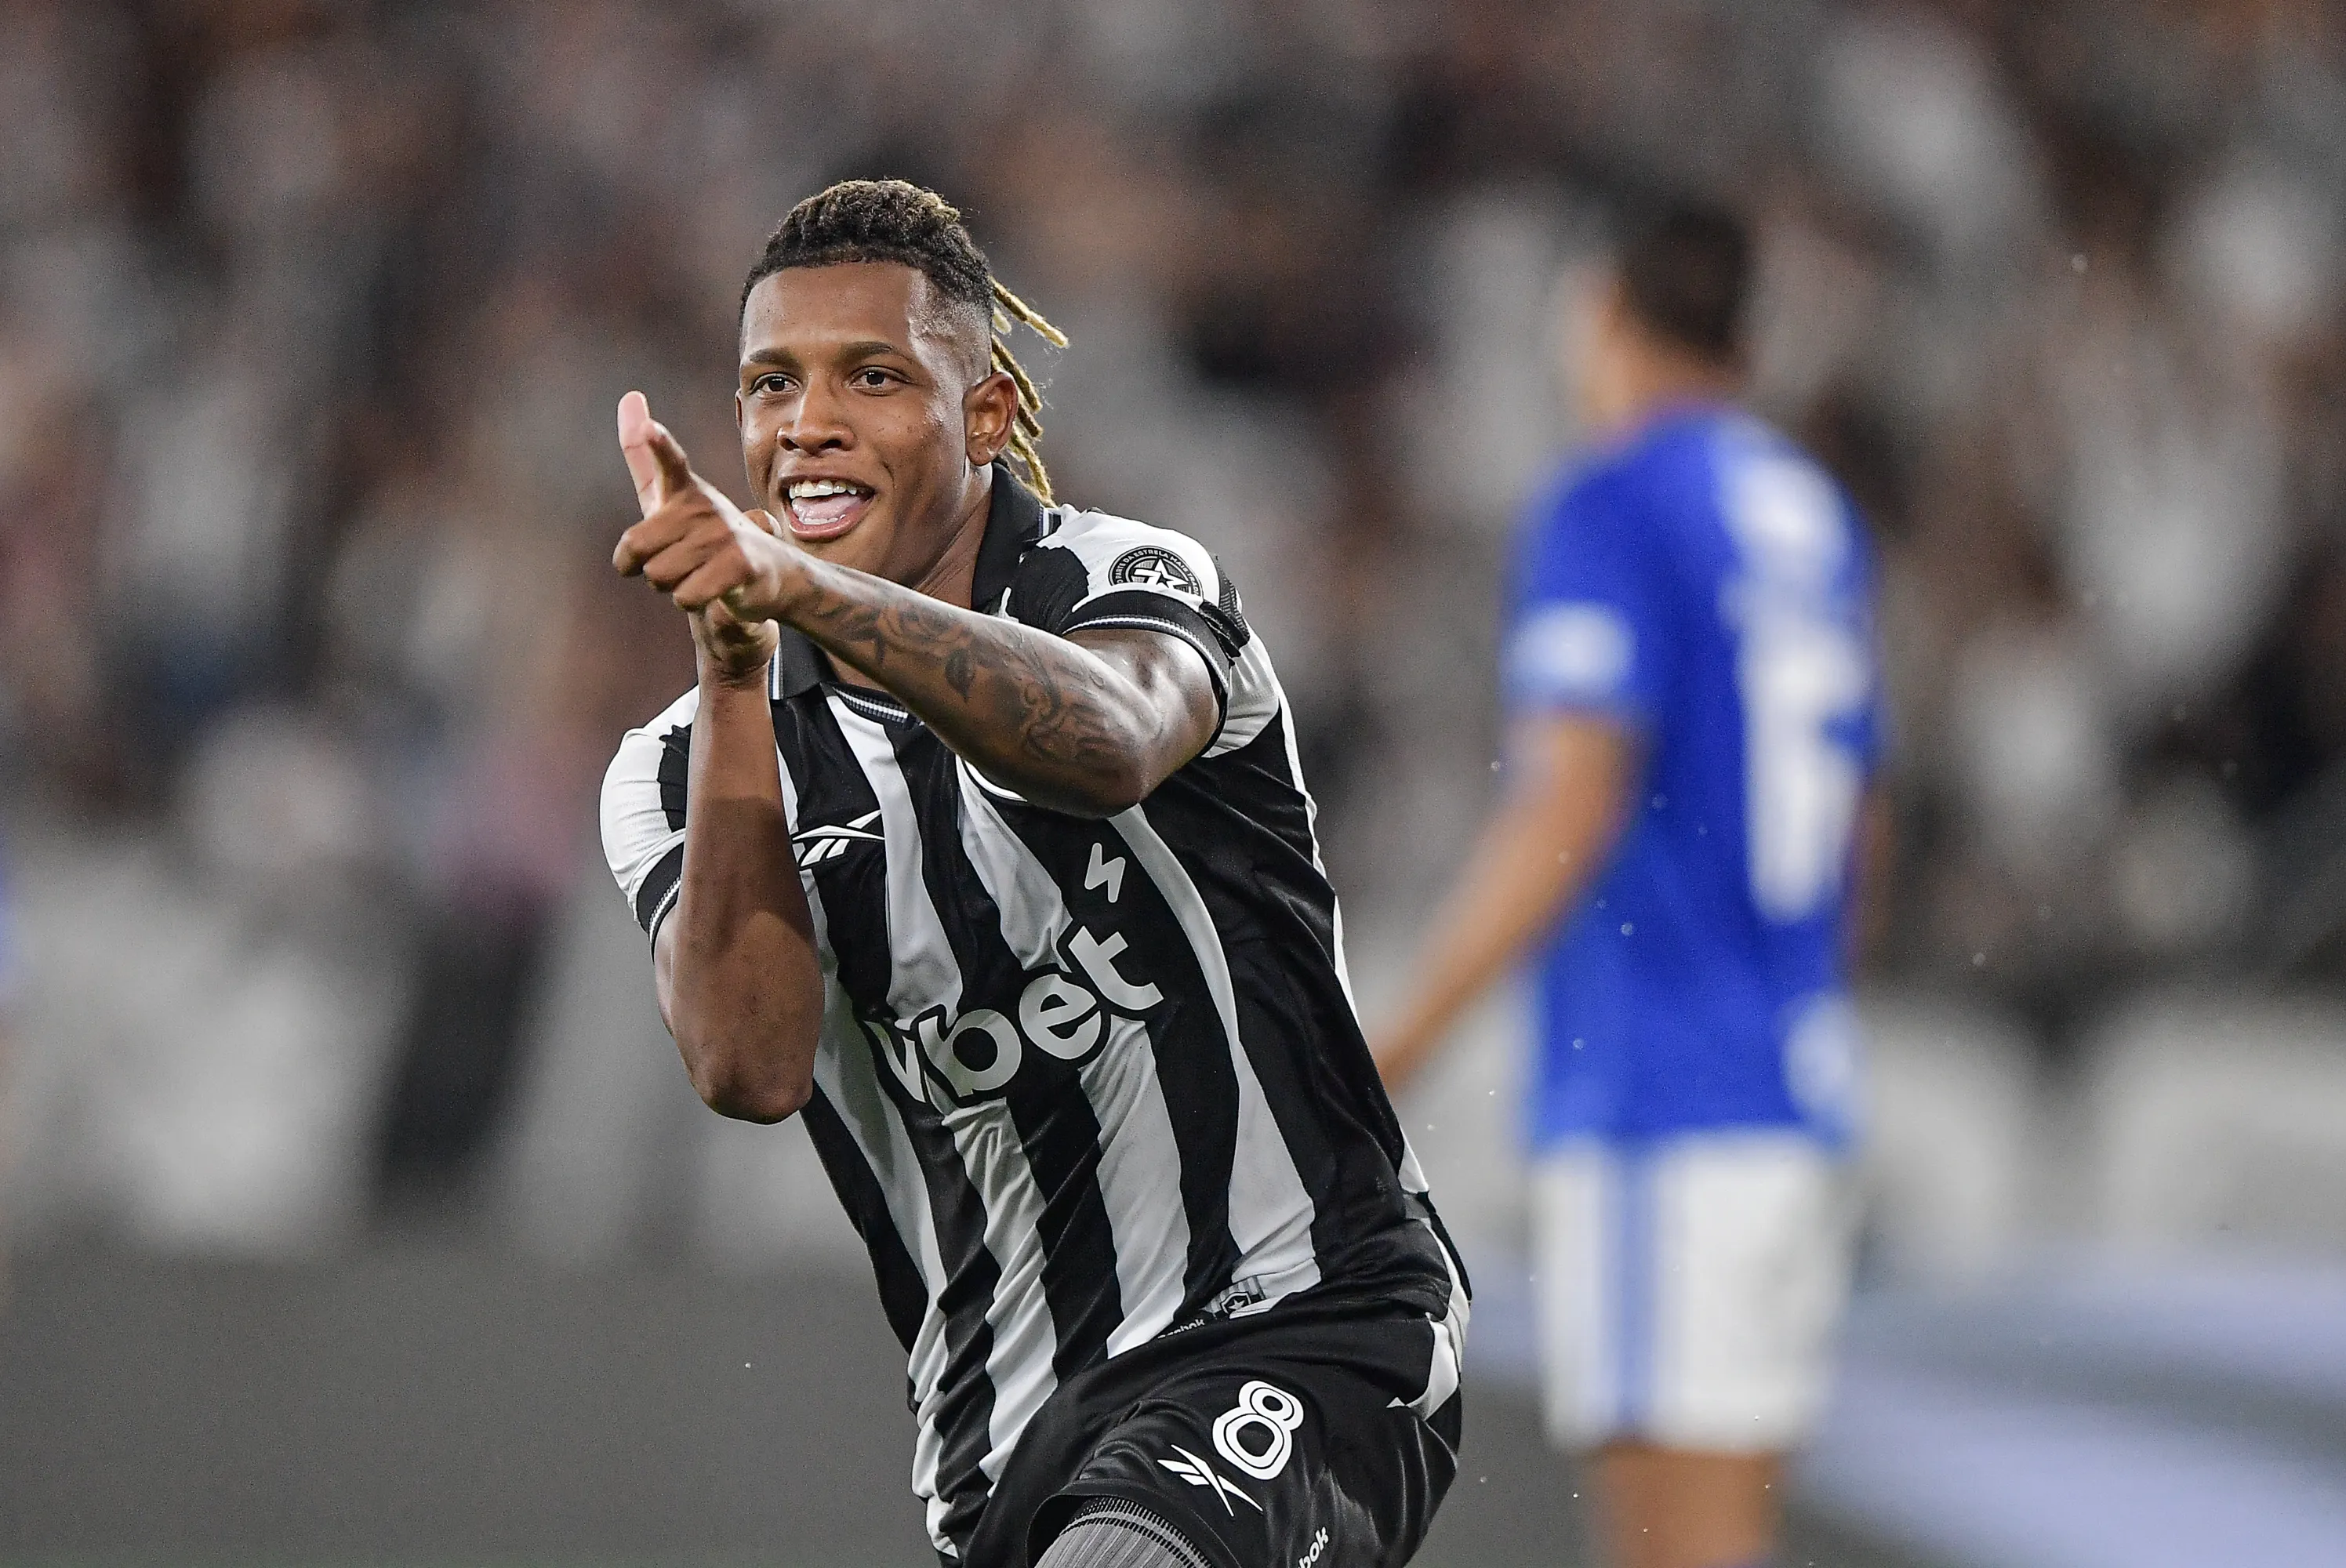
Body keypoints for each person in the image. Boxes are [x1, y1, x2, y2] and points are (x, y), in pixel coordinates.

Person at [597, 180, 1467, 1568]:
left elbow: (1115, 742)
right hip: (1005, 1439)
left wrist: (809, 592)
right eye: (772, 384)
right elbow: (748, 1066)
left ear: (989, 415)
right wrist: (735, 663)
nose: (808, 421)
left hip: (1304, 1320)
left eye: (871, 377)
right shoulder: (673, 769)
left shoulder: (1126, 581)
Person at [1372, 201, 1883, 1568]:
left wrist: (1397, 1040)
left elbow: (1572, 799)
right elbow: (1858, 823)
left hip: (1667, 1084)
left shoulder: (1613, 499)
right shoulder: (1807, 512)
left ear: (1604, 311)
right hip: (1793, 1072)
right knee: (1725, 1535)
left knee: (1674, 1551)